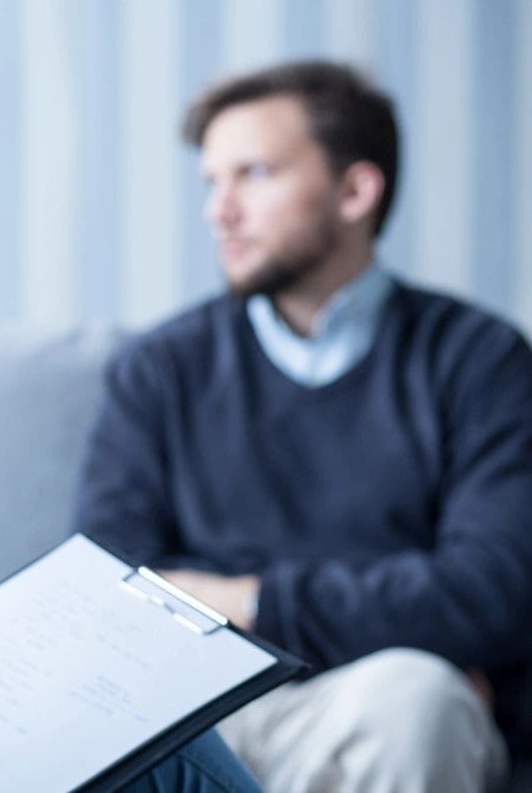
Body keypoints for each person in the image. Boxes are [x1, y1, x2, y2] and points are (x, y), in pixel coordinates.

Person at [76, 60, 532, 793]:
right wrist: (400, 613)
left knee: (418, 697)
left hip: (360, 708)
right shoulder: (158, 369)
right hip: (192, 711)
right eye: (211, 182)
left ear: (355, 190)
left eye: (252, 174)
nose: (218, 212)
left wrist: (243, 600)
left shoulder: (480, 360)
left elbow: (490, 592)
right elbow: (110, 590)